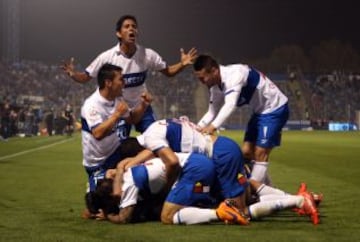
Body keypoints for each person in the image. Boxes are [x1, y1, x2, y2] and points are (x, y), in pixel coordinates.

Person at [62, 14, 197, 134]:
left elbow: (168, 72)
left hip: (142, 107)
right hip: (119, 109)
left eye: (134, 26)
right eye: (126, 26)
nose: (131, 29)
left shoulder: (147, 55)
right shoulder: (107, 57)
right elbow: (86, 77)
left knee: (156, 138)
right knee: (120, 147)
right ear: (119, 34)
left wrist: (182, 64)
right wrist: (73, 74)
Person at [193, 54, 289, 186]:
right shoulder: (215, 87)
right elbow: (211, 112)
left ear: (214, 71)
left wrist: (212, 127)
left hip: (274, 109)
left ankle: (254, 192)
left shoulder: (235, 74)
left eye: (203, 78)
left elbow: (230, 105)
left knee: (260, 153)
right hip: (259, 112)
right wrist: (196, 129)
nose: (201, 81)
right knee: (246, 153)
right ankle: (269, 189)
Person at [80, 63, 151, 194]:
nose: (124, 83)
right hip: (98, 162)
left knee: (148, 148)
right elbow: (98, 133)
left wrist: (143, 105)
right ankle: (94, 184)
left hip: (116, 151)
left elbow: (132, 119)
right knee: (99, 207)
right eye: (121, 79)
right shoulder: (92, 105)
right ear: (108, 83)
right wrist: (116, 115)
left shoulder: (117, 100)